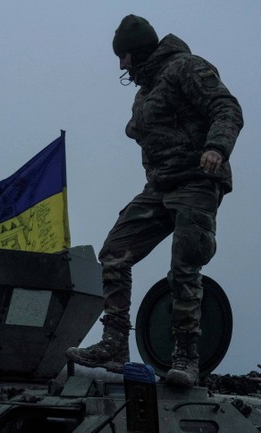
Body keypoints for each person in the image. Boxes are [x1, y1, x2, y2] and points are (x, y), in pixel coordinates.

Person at [65, 15, 243, 387]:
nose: (122, 65)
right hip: (160, 187)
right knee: (115, 251)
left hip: (197, 180)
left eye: (124, 56)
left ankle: (185, 356)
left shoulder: (186, 67)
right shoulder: (144, 91)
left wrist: (216, 147)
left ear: (139, 51)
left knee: (184, 266)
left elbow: (227, 108)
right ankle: (114, 345)